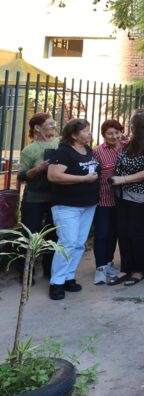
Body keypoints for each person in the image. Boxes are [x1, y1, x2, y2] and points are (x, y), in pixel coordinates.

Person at [46, 119, 100, 300]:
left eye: (89, 130)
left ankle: (69, 276)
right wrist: (84, 179)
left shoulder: (87, 150)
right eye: (85, 131)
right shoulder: (64, 152)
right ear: (74, 135)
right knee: (67, 243)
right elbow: (54, 175)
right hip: (67, 206)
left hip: (88, 204)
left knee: (78, 243)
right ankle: (56, 282)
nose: (89, 133)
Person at [107, 111, 144, 286]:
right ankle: (126, 268)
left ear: (140, 126)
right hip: (122, 194)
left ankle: (139, 269)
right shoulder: (131, 142)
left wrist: (123, 179)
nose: (130, 126)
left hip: (140, 196)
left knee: (135, 231)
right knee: (122, 231)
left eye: (132, 123)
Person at [16, 113, 59, 283]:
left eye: (53, 123)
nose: (54, 126)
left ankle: (50, 270)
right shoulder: (29, 150)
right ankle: (26, 273)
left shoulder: (60, 143)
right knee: (30, 235)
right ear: (37, 128)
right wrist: (38, 169)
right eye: (49, 123)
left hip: (56, 198)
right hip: (34, 198)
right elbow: (21, 176)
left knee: (53, 235)